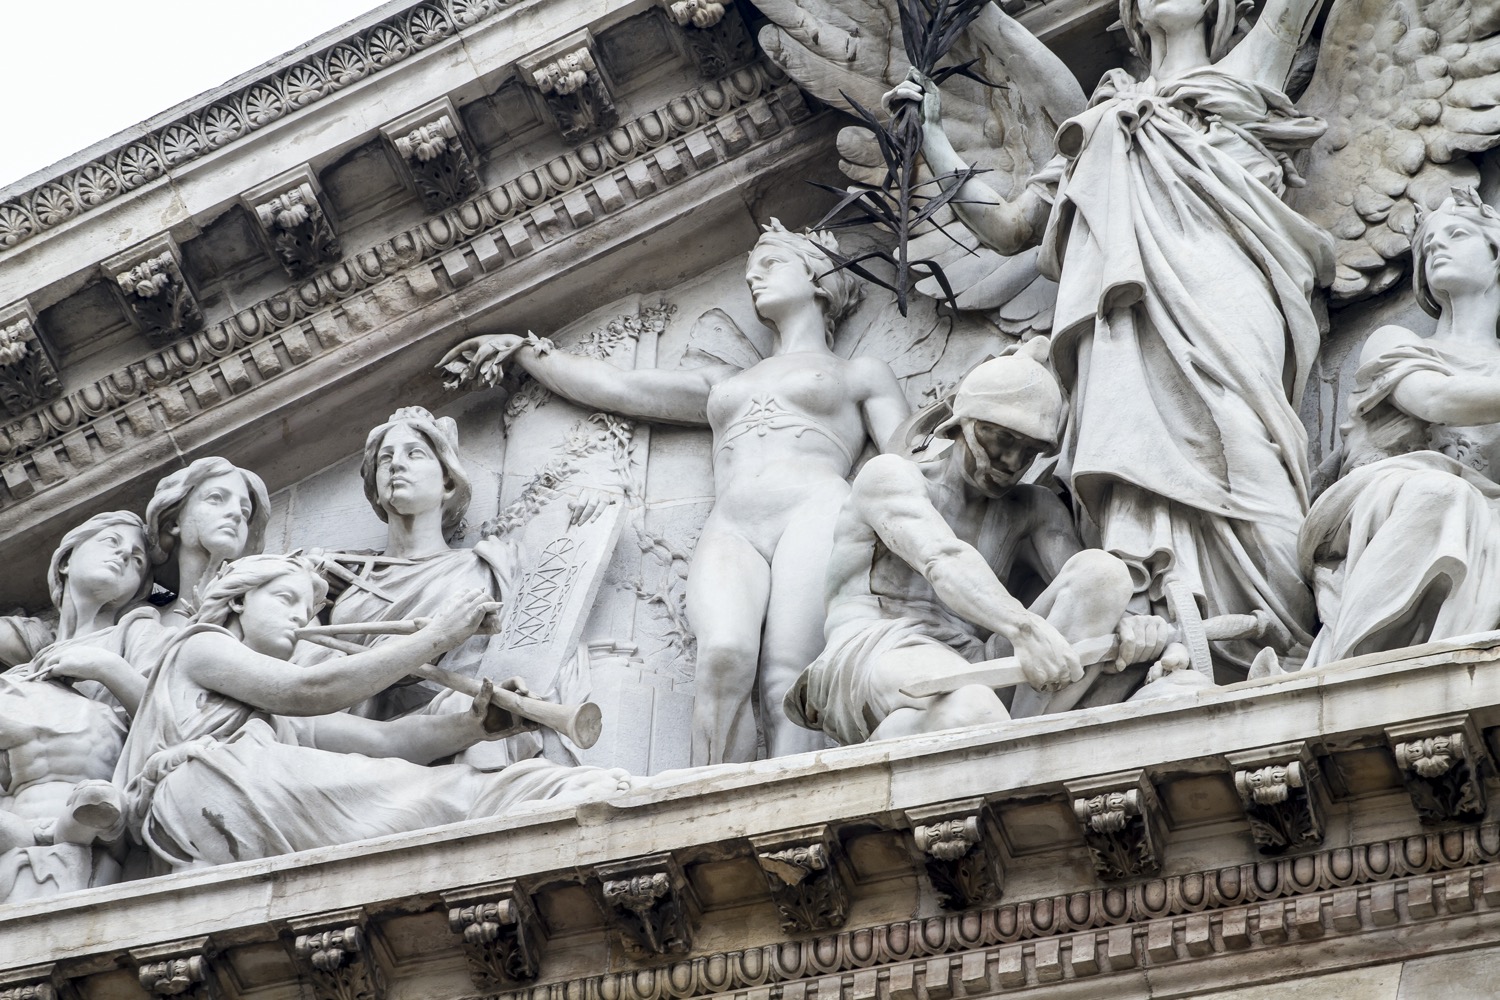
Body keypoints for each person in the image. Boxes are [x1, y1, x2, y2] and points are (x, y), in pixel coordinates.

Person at [887, 0, 1334, 672]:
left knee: (1244, 439)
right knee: (1129, 452)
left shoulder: (1249, 69)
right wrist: (934, 137)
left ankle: (1279, 625)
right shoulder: (1098, 116)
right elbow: (1011, 228)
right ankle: (1151, 619)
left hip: (1224, 295)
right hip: (1120, 324)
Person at [441, 221, 912, 764]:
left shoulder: (860, 373)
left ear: (818, 278)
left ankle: (794, 797)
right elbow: (619, 389)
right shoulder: (723, 383)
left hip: (815, 509)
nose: (752, 276)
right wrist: (524, 351)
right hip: (733, 524)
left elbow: (905, 459)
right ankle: (711, 798)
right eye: (749, 267)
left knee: (789, 667)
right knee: (722, 655)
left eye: (770, 263)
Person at [116, 554, 631, 873]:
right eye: (284, 598)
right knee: (439, 797)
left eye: (308, 608)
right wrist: (440, 635)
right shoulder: (200, 647)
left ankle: (529, 792)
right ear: (237, 603)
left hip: (239, 784)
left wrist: (474, 724)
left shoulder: (267, 718)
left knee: (423, 788)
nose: (300, 616)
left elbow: (385, 743)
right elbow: (311, 686)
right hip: (210, 787)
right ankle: (534, 798)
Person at [785, 345, 1169, 744]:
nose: (1010, 460)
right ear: (958, 425)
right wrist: (1024, 629)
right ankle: (986, 740)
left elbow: (1091, 598)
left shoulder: (1032, 509)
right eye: (1000, 437)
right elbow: (942, 558)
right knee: (974, 709)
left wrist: (1136, 629)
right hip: (880, 647)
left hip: (976, 659)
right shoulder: (890, 477)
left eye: (1029, 450)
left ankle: (1021, 741)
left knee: (1103, 573)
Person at [1302, 189, 1500, 664]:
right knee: (1441, 495)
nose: (1438, 249)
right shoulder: (1396, 341)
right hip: (1387, 494)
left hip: (1482, 510)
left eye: (1456, 235)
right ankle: (1350, 665)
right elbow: (1434, 399)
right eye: (1429, 245)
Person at [309, 406, 525, 721]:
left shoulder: (484, 567)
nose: (396, 464)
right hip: (341, 728)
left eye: (415, 454)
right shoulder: (342, 578)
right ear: (376, 491)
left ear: (448, 482)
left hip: (444, 725)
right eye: (385, 459)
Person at [0, 511, 161, 900]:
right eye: (111, 542)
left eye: (137, 559)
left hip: (98, 792)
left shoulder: (135, 630)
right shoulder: (25, 654)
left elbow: (169, 715)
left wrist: (105, 668)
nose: (124, 555)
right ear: (66, 558)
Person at [145, 457, 271, 625]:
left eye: (244, 511)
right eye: (216, 498)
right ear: (173, 523)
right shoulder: (144, 624)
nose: (235, 514)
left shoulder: (271, 605)